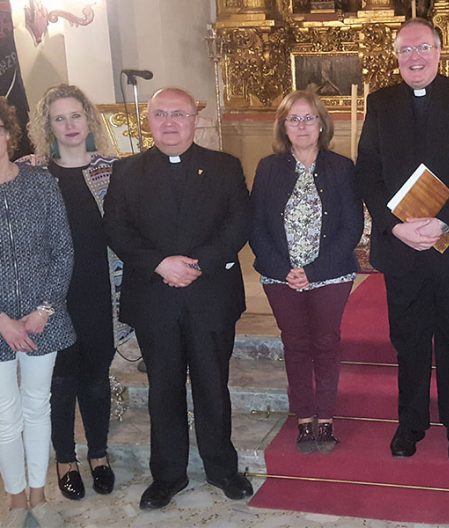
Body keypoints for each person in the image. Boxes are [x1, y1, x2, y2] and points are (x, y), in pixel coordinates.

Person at [103, 87, 253, 510]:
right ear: (148, 120)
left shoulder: (224, 166)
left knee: (213, 385)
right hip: (155, 298)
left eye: (179, 114)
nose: (170, 122)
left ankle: (222, 469)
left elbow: (239, 222)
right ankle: (167, 476)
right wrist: (160, 264)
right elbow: (116, 228)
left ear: (194, 120)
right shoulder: (126, 171)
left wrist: (198, 264)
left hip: (210, 296)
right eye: (161, 114)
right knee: (163, 389)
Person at [356, 18, 449, 462]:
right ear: (396, 56)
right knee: (409, 341)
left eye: (422, 49)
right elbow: (368, 171)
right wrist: (393, 225)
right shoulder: (381, 103)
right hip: (402, 246)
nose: (414, 58)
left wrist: (444, 223)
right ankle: (410, 423)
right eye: (405, 50)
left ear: (438, 51)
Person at [21, 84, 132, 502]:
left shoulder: (112, 170)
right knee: (61, 380)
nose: (69, 125)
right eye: (59, 118)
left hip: (99, 289)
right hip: (51, 296)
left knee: (96, 376)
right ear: (47, 126)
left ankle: (98, 454)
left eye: (75, 116)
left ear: (88, 119)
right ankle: (65, 460)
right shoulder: (32, 173)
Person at [249, 90, 362, 453]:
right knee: (295, 344)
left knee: (325, 343)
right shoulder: (268, 168)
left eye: (308, 118)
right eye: (293, 119)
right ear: (283, 126)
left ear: (321, 125)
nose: (301, 126)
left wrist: (313, 271)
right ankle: (304, 417)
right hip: (280, 276)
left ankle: (325, 417)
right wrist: (285, 270)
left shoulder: (341, 167)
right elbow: (256, 226)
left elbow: (352, 226)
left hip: (330, 274)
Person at [0, 97, 75, 528]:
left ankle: (38, 493)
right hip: (0, 324)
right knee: (4, 415)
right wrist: (3, 321)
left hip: (42, 318)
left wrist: (43, 309)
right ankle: (15, 500)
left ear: (8, 135)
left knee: (37, 406)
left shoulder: (40, 183)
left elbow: (62, 249)